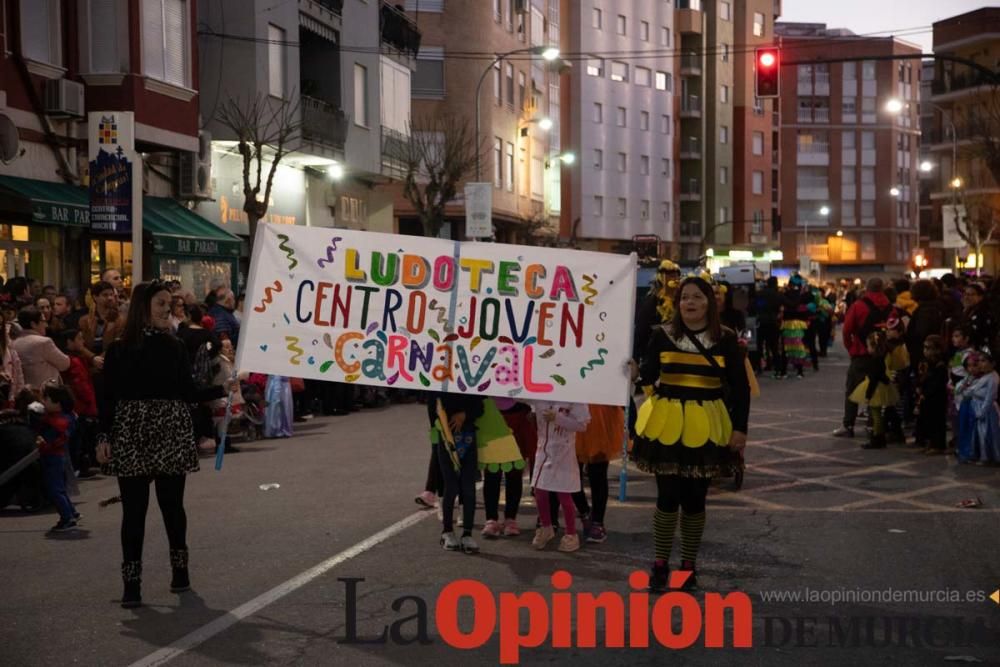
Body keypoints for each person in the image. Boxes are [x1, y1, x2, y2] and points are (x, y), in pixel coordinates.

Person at [96, 281, 235, 608]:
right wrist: (104, 436)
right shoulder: (117, 350)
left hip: (170, 430)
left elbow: (187, 392)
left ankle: (180, 571)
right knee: (134, 512)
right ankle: (132, 584)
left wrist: (221, 389)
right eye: (160, 304)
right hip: (131, 431)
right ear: (143, 307)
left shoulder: (174, 346)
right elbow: (108, 399)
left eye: (168, 305)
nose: (166, 310)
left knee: (172, 506)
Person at [631, 276, 750, 592]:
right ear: (677, 303)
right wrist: (635, 373)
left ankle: (687, 566)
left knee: (695, 501)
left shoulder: (725, 339)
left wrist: (740, 429)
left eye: (698, 297)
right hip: (667, 423)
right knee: (666, 498)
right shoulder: (661, 336)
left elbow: (740, 388)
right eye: (685, 298)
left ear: (710, 302)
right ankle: (659, 565)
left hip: (708, 423)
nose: (690, 303)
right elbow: (649, 374)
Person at [530, 400, 591, 553]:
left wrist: (558, 418)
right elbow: (518, 397)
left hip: (563, 451)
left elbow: (582, 425)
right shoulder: (540, 392)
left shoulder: (575, 396)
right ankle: (546, 527)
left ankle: (571, 534)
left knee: (564, 493)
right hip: (543, 449)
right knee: (539, 490)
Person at [834, 278, 892, 438]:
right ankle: (874, 425)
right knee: (877, 390)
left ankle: (848, 425)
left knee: (852, 390)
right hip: (882, 356)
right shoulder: (890, 307)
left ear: (867, 288)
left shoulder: (859, 306)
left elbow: (847, 330)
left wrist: (851, 348)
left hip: (861, 354)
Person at [428, 392, 484, 554]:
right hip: (446, 438)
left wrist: (464, 415)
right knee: (451, 486)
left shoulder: (471, 382)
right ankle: (447, 531)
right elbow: (433, 408)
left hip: (469, 436)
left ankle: (467, 533)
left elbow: (480, 407)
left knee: (468, 487)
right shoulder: (438, 384)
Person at [573, 404, 624, 543]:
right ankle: (584, 512)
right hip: (572, 410)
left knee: (598, 474)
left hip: (601, 414)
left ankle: (597, 521)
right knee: (570, 473)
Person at [56, 329, 99, 476]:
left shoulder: (76, 358)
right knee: (80, 438)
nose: (83, 341)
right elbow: (80, 384)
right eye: (79, 338)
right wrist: (89, 400)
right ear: (69, 342)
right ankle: (81, 466)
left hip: (81, 404)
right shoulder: (73, 361)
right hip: (82, 406)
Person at [36, 384, 79, 532]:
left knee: (55, 489)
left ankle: (67, 518)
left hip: (53, 456)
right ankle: (72, 512)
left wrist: (44, 444)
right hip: (58, 456)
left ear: (57, 402)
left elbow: (54, 440)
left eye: (46, 398)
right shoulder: (66, 418)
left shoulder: (58, 422)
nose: (44, 401)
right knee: (60, 488)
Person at [848, 331, 897, 450]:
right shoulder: (881, 358)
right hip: (882, 387)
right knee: (877, 414)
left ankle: (877, 437)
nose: (867, 349)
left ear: (874, 347)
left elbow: (874, 379)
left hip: (876, 389)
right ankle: (879, 437)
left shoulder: (874, 361)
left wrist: (868, 395)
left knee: (876, 415)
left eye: (869, 346)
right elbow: (882, 374)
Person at [955, 349, 1000, 464]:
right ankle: (979, 455)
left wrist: (982, 411)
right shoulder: (985, 377)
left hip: (986, 410)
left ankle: (987, 457)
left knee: (986, 434)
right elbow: (970, 391)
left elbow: (990, 397)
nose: (980, 364)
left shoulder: (993, 378)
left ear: (993, 363)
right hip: (977, 407)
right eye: (979, 361)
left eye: (983, 361)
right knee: (978, 434)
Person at [11, 306, 70, 388]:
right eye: (43, 321)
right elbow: (64, 364)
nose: (46, 325)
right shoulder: (43, 342)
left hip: (28, 392)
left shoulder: (13, 343)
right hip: (47, 392)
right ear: (33, 324)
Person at [914, 335, 949, 455]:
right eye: (924, 348)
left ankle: (938, 445)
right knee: (927, 420)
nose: (925, 351)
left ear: (937, 350)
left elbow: (937, 383)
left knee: (936, 422)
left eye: (929, 348)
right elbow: (923, 378)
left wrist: (926, 392)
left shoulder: (940, 366)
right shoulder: (927, 363)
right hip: (927, 397)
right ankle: (928, 442)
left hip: (937, 398)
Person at [79, 281, 123, 354]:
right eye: (105, 295)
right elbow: (80, 344)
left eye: (111, 294)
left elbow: (118, 344)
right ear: (95, 297)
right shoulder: (84, 320)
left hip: (111, 359)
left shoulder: (120, 319)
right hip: (89, 360)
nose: (110, 298)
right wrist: (92, 357)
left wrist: (102, 358)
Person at [755, 276, 783, 375]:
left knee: (759, 346)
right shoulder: (777, 294)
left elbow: (756, 305)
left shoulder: (760, 294)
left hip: (761, 322)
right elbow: (782, 305)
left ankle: (758, 367)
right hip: (773, 322)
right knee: (774, 347)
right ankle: (777, 369)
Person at [960, 282, 993, 349]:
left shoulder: (984, 312)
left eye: (971, 294)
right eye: (965, 294)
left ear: (980, 297)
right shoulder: (969, 310)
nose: (967, 297)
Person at [0, 323, 24, 407]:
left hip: (9, 396)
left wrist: (18, 395)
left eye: (0, 324)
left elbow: (18, 373)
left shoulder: (9, 348)